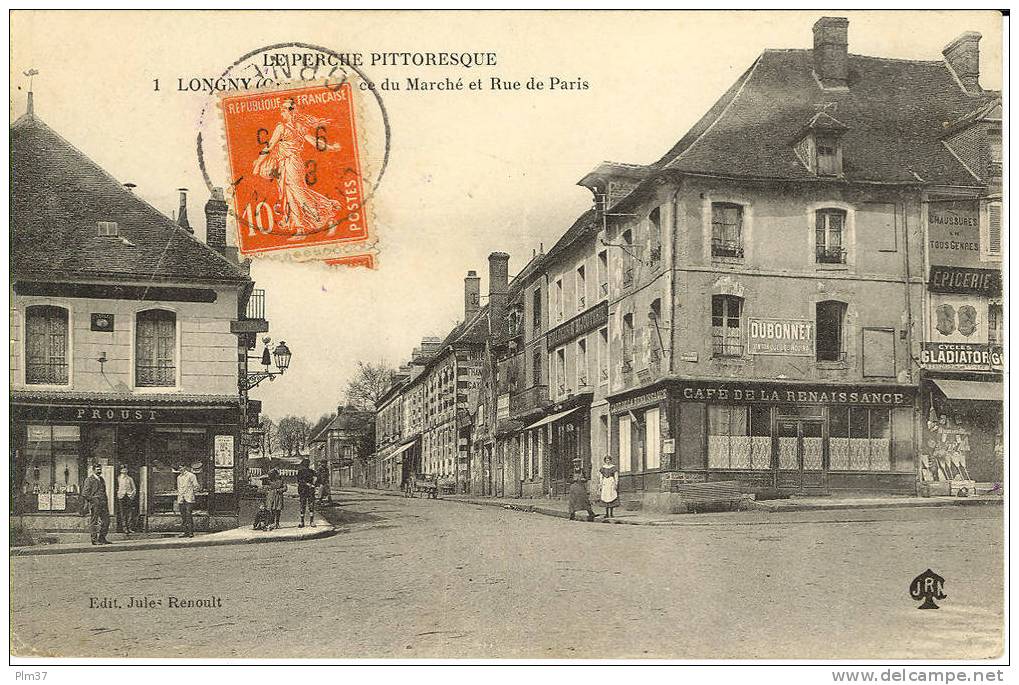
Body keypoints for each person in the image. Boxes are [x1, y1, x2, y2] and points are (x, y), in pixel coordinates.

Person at [252, 97, 343, 237]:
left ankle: (325, 213)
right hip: (290, 164)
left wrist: (258, 164)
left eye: (283, 110)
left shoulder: (281, 127)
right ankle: (300, 228)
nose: (281, 113)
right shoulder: (300, 128)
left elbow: (269, 147)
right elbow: (315, 142)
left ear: (290, 112)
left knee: (298, 193)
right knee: (291, 195)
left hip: (290, 164)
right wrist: (331, 147)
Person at [82, 462, 111, 545]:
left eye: (100, 470)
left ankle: (102, 538)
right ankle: (94, 540)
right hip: (95, 504)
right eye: (98, 470)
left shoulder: (101, 479)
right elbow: (85, 493)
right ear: (93, 470)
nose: (99, 471)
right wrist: (93, 500)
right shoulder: (89, 480)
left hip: (103, 504)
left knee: (106, 521)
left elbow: (104, 492)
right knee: (94, 522)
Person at [176, 462, 201, 538]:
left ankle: (191, 532)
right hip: (181, 498)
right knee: (183, 516)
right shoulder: (179, 477)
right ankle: (185, 532)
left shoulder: (191, 475)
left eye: (181, 468)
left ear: (185, 467)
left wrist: (192, 491)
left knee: (188, 514)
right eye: (179, 468)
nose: (180, 469)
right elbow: (179, 487)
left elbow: (196, 486)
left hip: (188, 498)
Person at [116, 465, 137, 534]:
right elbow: (116, 487)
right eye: (122, 469)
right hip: (121, 496)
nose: (124, 470)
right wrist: (118, 494)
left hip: (128, 496)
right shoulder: (118, 478)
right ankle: (124, 528)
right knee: (122, 513)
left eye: (125, 469)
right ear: (120, 471)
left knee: (130, 512)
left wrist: (132, 495)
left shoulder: (130, 479)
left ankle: (130, 527)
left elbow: (134, 488)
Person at [296, 458, 317, 528]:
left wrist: (314, 482)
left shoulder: (311, 472)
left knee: (308, 506)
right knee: (305, 506)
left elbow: (316, 478)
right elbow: (300, 481)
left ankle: (308, 522)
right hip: (304, 490)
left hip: (308, 491)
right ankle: (305, 522)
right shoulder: (301, 472)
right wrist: (309, 484)